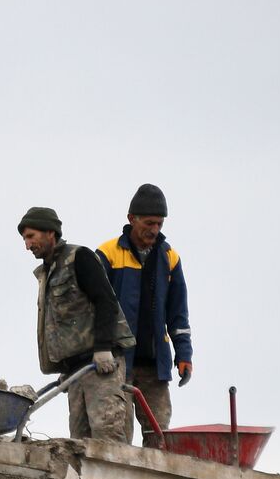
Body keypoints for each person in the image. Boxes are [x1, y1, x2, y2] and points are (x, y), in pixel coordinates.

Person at [19, 206, 135, 443]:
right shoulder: (46, 273)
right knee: (79, 442)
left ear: (50, 232)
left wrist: (103, 348)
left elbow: (106, 301)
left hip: (101, 366)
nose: (27, 245)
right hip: (76, 371)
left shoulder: (79, 257)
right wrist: (64, 368)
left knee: (107, 437)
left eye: (31, 236)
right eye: (24, 239)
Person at [97, 184, 191, 446]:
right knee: (117, 433)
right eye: (149, 223)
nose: (154, 230)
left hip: (154, 364)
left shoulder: (169, 258)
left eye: (159, 224)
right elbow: (91, 308)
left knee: (159, 435)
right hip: (117, 362)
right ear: (132, 219)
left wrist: (184, 354)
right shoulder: (108, 254)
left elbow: (178, 313)